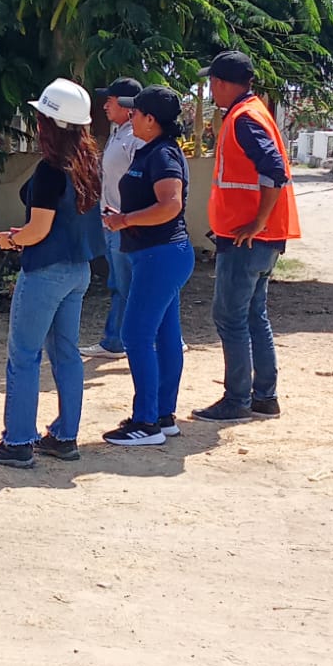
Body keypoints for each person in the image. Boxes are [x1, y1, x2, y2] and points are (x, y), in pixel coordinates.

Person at [0, 79, 104, 467]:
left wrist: (13, 240)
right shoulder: (87, 164)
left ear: (48, 123)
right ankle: (65, 436)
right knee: (66, 354)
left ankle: (17, 442)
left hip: (46, 272)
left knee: (24, 356)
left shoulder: (50, 170)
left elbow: (39, 230)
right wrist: (25, 236)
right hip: (78, 270)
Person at [191, 49, 301, 423]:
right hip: (259, 239)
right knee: (254, 316)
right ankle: (264, 397)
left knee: (230, 317)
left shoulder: (243, 118)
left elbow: (274, 170)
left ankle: (237, 399)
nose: (211, 89)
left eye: (212, 83)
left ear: (222, 83)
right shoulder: (254, 112)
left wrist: (257, 221)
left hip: (246, 239)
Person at [101, 87, 194, 447]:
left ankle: (146, 422)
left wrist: (125, 220)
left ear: (151, 120)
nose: (132, 117)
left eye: (137, 112)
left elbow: (170, 205)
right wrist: (125, 218)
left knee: (135, 335)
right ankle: (162, 416)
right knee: (165, 335)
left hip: (160, 254)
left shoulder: (163, 154)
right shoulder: (153, 150)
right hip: (160, 255)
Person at [81, 76, 143, 358]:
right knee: (121, 283)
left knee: (125, 285)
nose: (105, 106)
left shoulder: (136, 138)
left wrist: (130, 219)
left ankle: (118, 341)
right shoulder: (119, 133)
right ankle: (120, 340)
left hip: (125, 224)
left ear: (127, 105)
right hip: (112, 222)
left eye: (110, 100)